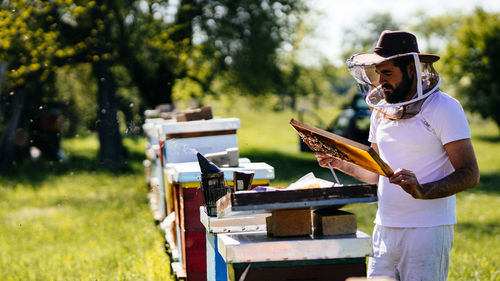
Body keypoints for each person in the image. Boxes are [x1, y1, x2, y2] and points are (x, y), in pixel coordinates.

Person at [315, 30, 480, 281]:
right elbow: (375, 174)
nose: (380, 80)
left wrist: (423, 189)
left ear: (412, 69)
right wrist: (340, 161)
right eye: (378, 73)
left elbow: (470, 174)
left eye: (388, 72)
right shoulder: (380, 112)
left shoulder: (444, 107)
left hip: (426, 230)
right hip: (384, 228)